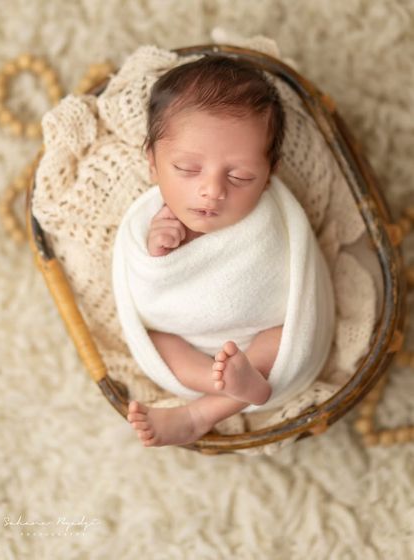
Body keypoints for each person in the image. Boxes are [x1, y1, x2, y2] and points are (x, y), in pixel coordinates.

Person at [112, 55, 333, 447]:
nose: (212, 190)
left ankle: (203, 412)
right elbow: (144, 298)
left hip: (262, 340)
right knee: (157, 341)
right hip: (193, 349)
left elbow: (296, 284)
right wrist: (156, 258)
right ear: (152, 163)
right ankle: (226, 385)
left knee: (290, 334)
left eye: (239, 176)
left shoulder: (271, 218)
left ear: (269, 175)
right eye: (187, 169)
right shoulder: (146, 222)